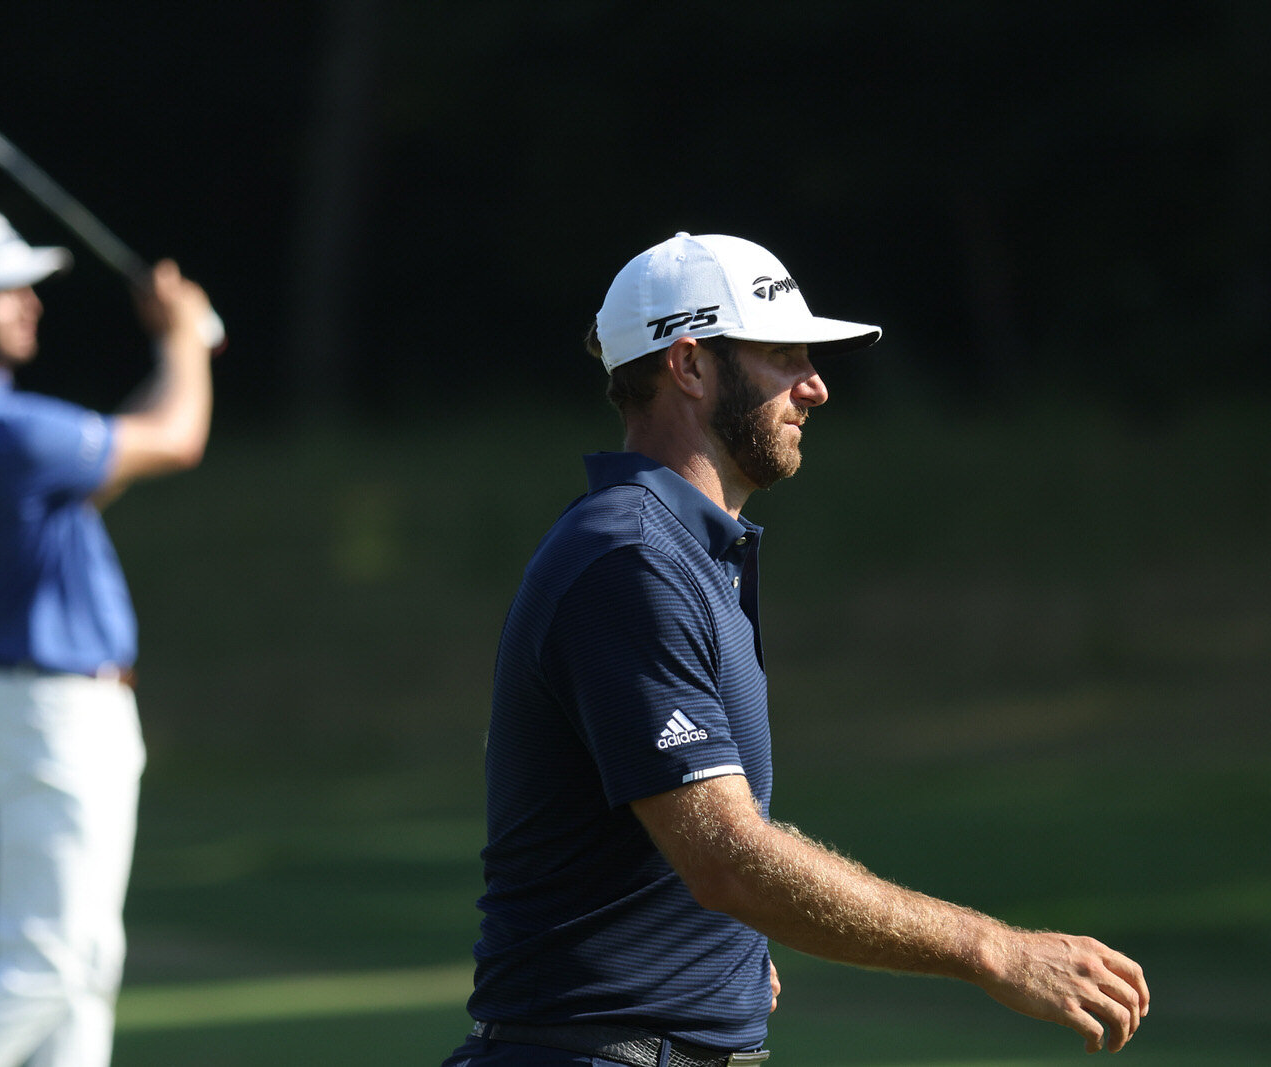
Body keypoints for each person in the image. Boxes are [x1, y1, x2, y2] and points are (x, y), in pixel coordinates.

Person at [443, 232, 1149, 1066]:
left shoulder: (678, 550)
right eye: (782, 356)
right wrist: (994, 948)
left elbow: (668, 846)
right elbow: (726, 859)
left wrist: (722, 957)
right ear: (691, 366)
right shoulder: (630, 559)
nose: (814, 387)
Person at [0, 207, 221, 1067]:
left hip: (43, 708)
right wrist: (182, 336)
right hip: (55, 712)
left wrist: (173, 352)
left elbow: (122, 453)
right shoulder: (2, 433)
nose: (31, 304)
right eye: (6, 291)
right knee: (46, 963)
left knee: (85, 966)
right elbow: (179, 437)